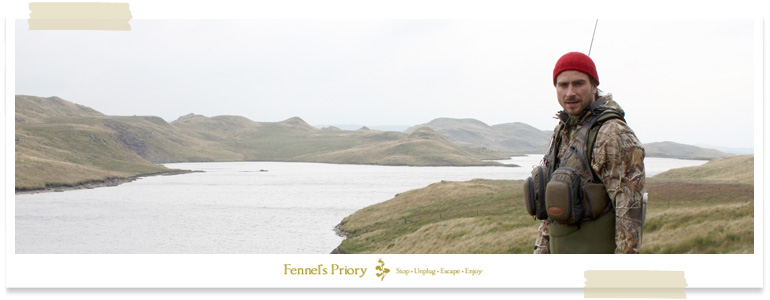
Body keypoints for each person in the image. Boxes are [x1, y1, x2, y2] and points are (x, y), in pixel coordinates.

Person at [531, 52, 646, 254]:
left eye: (578, 83)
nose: (570, 93)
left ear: (594, 86)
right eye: (563, 85)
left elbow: (629, 214)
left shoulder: (612, 133)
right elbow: (551, 213)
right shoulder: (562, 131)